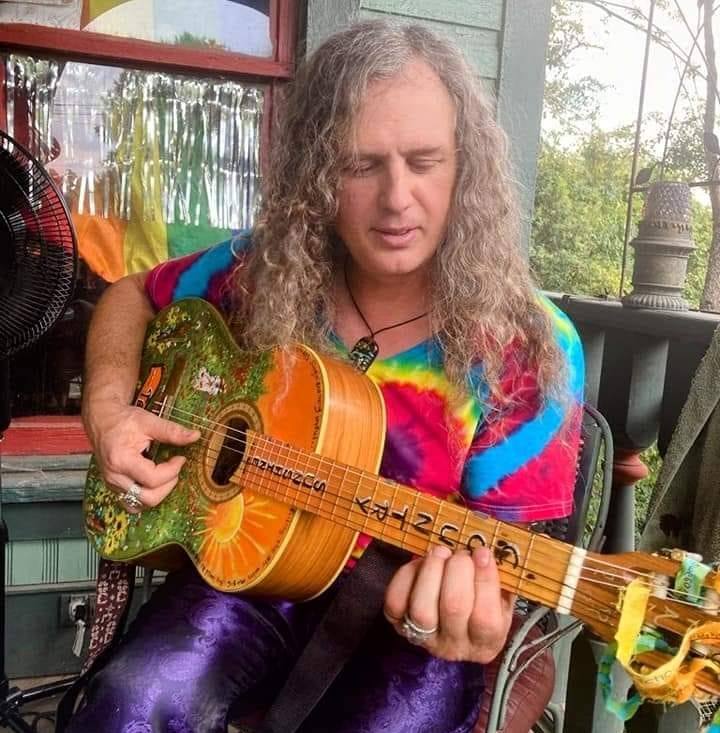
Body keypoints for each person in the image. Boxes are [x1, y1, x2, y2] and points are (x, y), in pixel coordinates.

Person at [67, 19, 585, 733]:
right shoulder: (267, 271)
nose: (397, 197)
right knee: (132, 704)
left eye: (425, 161)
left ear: (466, 167)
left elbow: (505, 581)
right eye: (361, 165)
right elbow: (132, 294)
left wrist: (483, 614)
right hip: (248, 571)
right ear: (316, 172)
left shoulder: (526, 349)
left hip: (407, 625)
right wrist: (107, 410)